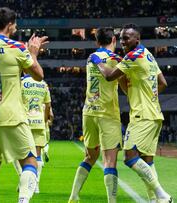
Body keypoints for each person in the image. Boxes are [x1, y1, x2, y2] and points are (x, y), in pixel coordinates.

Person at [89, 23, 173, 203]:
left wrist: (98, 62)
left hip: (141, 115)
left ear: (137, 39)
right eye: (121, 39)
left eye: (127, 38)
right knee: (147, 161)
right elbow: (163, 83)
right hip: (155, 113)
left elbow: (110, 75)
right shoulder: (148, 55)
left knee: (130, 156)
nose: (123, 42)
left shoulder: (133, 56)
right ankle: (155, 200)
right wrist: (147, 95)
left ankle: (161, 194)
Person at [0, 7, 48, 203]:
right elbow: (38, 76)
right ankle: (23, 200)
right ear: (9, 25)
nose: (16, 27)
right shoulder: (16, 47)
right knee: (30, 161)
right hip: (11, 114)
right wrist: (33, 53)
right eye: (15, 24)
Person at [69, 27, 126, 203]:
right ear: (114, 40)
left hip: (89, 111)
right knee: (110, 160)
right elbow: (124, 83)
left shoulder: (90, 58)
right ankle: (112, 201)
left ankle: (74, 196)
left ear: (97, 42)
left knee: (90, 156)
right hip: (107, 113)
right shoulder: (116, 59)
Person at [18, 74, 51, 193]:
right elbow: (48, 105)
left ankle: (24, 181)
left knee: (22, 154)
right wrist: (45, 120)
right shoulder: (43, 83)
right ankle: (35, 186)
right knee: (37, 155)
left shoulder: (21, 83)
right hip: (39, 122)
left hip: (24, 122)